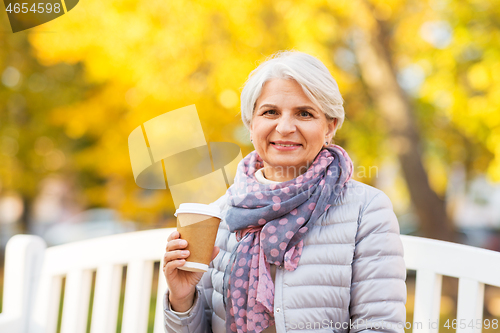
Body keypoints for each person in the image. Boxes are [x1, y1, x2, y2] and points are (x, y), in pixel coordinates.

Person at [162, 50, 407, 333]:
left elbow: (379, 326)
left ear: (330, 126)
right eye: (270, 112)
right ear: (251, 124)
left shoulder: (367, 210)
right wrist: (181, 299)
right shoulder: (220, 213)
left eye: (305, 113)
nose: (286, 127)